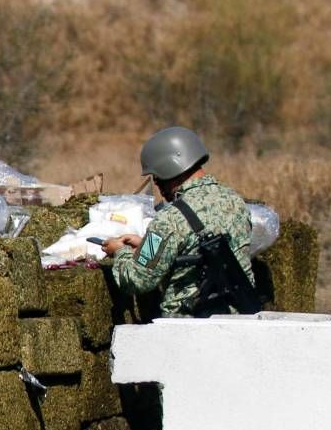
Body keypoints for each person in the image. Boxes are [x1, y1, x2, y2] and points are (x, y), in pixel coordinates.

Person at [101, 125, 257, 318]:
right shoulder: (235, 201)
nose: (158, 186)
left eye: (157, 179)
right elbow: (197, 247)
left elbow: (137, 280)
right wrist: (145, 244)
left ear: (169, 167)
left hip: (188, 325)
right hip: (239, 317)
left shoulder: (167, 220)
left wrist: (120, 251)